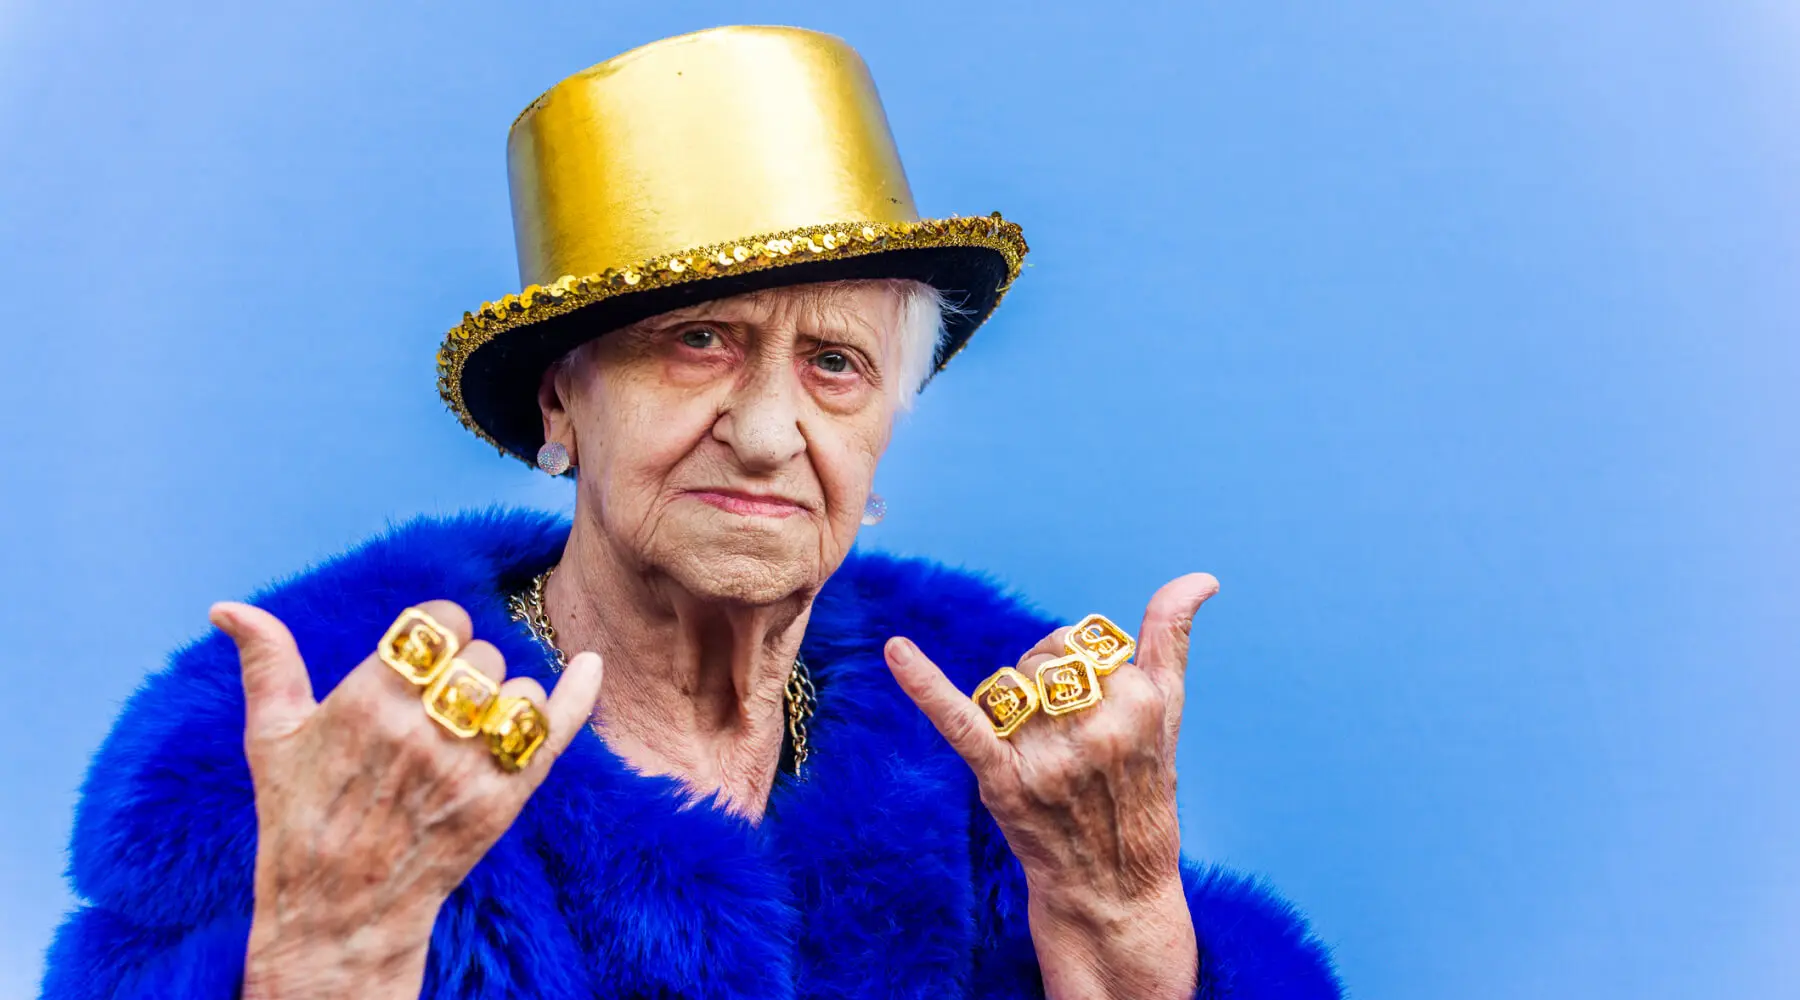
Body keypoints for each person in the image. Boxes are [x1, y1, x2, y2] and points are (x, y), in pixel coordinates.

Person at [42, 25, 1341, 1000]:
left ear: (886, 428)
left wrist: (1118, 917)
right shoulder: (307, 737)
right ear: (560, 406)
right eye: (697, 343)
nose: (771, 432)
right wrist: (323, 951)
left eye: (836, 365)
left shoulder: (1004, 747)